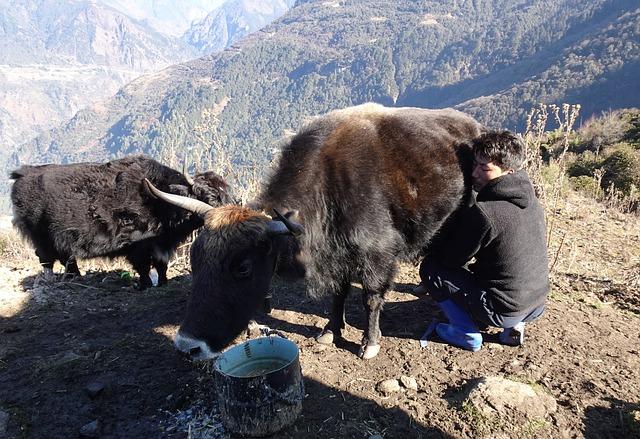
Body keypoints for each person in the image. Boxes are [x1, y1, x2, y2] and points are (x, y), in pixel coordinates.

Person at [417, 130, 549, 351]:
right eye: (475, 164)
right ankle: (514, 327)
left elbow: (452, 261)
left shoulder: (487, 213)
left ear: (509, 170)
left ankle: (465, 333)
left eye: (485, 168)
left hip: (502, 309)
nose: (474, 173)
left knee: (432, 268)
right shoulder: (529, 199)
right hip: (537, 303)